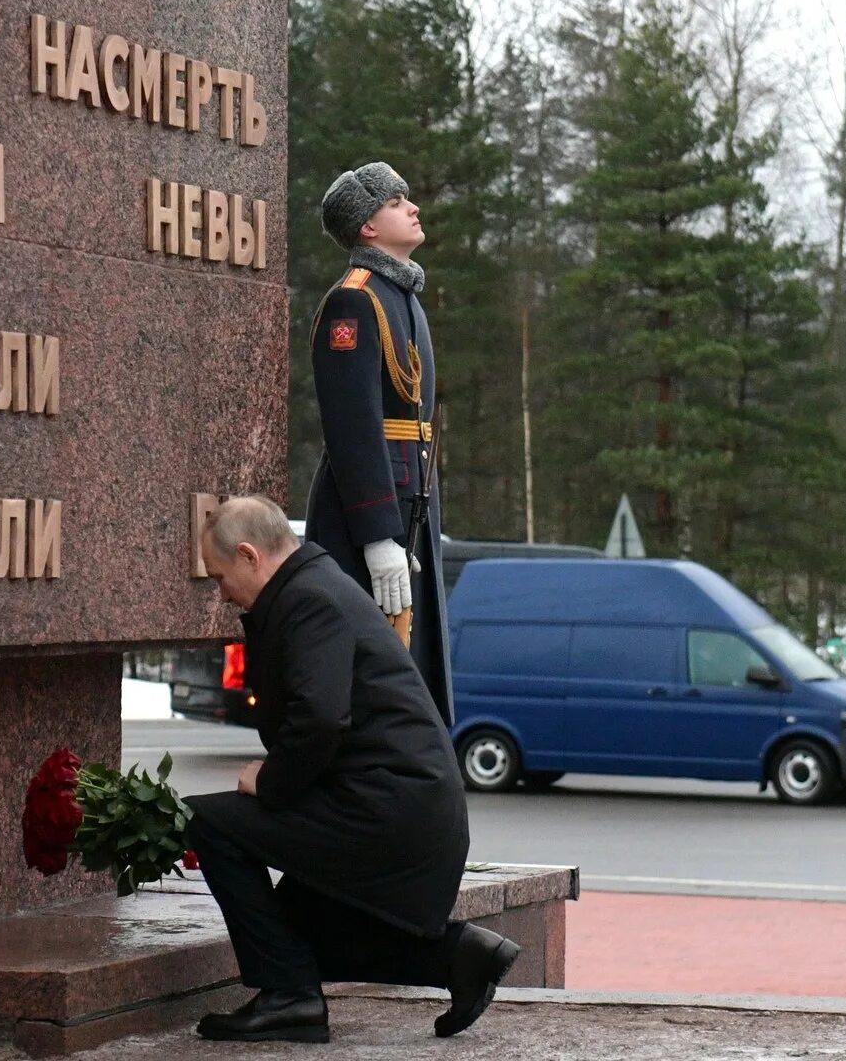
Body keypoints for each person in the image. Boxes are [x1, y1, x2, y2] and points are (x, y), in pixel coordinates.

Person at [186, 496, 518, 1042]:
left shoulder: (308, 600)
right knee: (292, 928)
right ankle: (459, 957)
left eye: (221, 578)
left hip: (391, 813)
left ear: (249, 555)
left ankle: (290, 997)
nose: (223, 594)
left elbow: (319, 719)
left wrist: (268, 782)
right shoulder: (315, 586)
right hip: (399, 806)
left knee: (209, 823)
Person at [304, 162, 453, 724]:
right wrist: (377, 536)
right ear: (367, 227)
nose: (412, 208)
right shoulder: (355, 301)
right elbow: (352, 425)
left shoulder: (402, 296)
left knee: (411, 663)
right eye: (396, 202)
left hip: (412, 497)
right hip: (370, 510)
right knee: (368, 672)